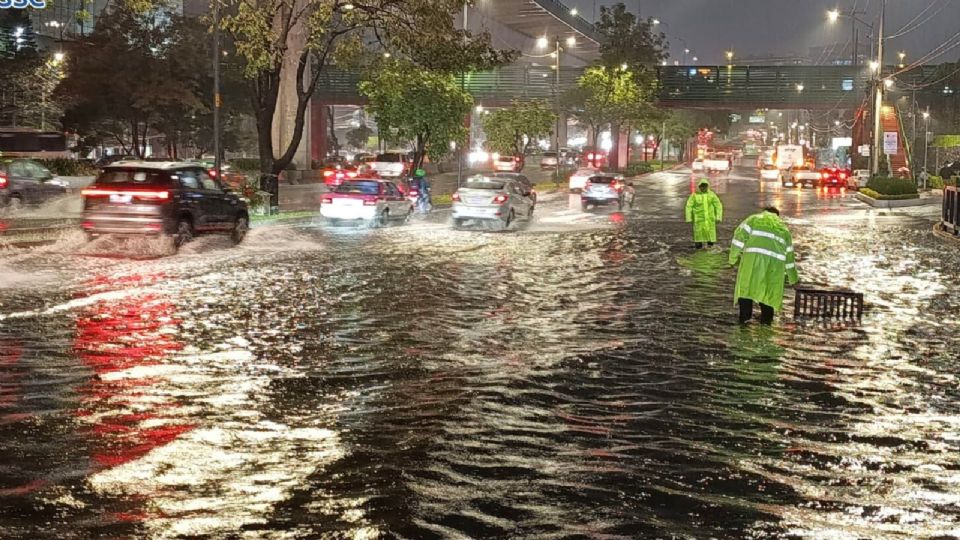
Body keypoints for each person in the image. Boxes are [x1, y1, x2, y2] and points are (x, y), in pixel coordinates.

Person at [729, 206, 799, 325]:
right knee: (768, 298)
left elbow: (738, 238)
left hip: (751, 265)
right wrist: (793, 279)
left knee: (746, 293)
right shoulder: (784, 229)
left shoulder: (753, 220)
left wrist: (732, 259)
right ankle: (766, 329)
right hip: (773, 270)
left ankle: (744, 326)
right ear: (777, 216)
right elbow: (789, 259)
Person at [684, 178, 723, 249]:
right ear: (699, 187)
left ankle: (710, 251)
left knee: (710, 239)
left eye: (705, 186)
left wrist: (718, 216)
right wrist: (688, 217)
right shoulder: (694, 195)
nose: (703, 188)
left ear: (707, 186)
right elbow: (689, 206)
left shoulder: (712, 195)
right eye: (702, 186)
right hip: (699, 221)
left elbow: (718, 205)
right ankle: (699, 252)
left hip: (709, 220)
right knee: (699, 238)